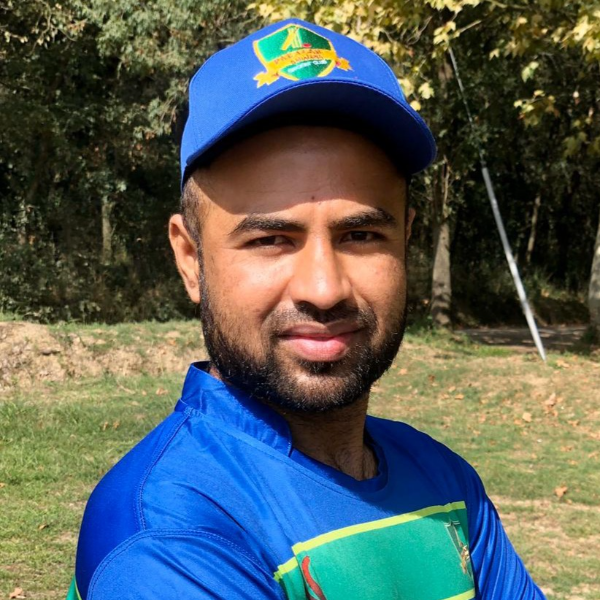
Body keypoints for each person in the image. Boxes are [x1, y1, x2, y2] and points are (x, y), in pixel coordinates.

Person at [67, 18, 546, 600]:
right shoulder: (170, 535)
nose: (324, 288)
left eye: (362, 235)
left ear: (406, 241)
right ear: (191, 260)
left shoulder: (445, 481)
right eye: (270, 239)